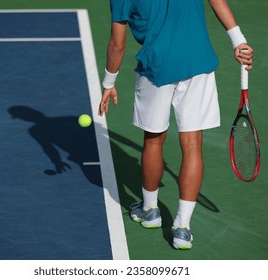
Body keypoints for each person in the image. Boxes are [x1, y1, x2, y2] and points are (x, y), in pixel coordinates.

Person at [98, 0, 253, 250]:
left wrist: (108, 83)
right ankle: (182, 227)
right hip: (197, 61)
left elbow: (118, 43)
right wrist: (239, 41)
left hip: (156, 66)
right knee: (192, 144)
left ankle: (150, 210)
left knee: (154, 139)